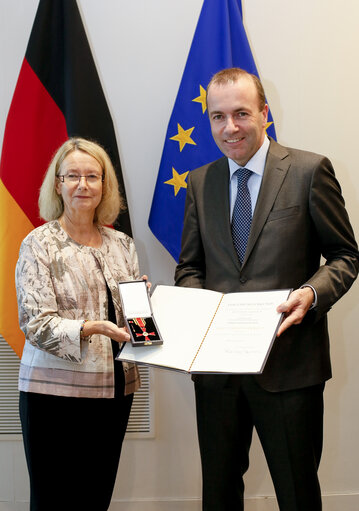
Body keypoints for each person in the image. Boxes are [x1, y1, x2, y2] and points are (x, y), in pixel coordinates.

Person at [175, 68, 359, 510]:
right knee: (218, 495)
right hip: (217, 374)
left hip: (290, 366)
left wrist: (311, 294)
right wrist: (199, 309)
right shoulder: (200, 183)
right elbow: (190, 268)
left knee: (296, 493)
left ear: (264, 113)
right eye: (218, 117)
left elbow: (345, 256)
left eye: (241, 113)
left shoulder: (309, 171)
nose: (230, 127)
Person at [16, 137, 147, 511]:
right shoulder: (38, 244)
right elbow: (35, 323)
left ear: (104, 185)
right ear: (57, 183)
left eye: (93, 176)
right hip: (52, 398)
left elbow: (133, 322)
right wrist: (91, 327)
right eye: (72, 175)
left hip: (115, 393)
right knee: (53, 501)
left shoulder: (122, 244)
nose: (83, 184)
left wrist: (146, 308)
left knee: (95, 499)